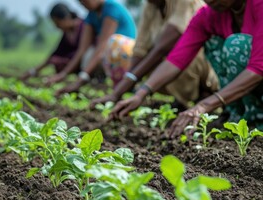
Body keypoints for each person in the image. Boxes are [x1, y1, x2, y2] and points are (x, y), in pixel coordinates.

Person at [109, 0, 263, 138]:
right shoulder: (209, 15)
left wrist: (204, 105)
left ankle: (257, 120)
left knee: (236, 44)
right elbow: (176, 59)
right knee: (214, 42)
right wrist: (141, 93)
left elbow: (258, 67)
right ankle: (237, 115)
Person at [90, 0, 219, 111]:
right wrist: (117, 92)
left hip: (199, 63)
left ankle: (201, 94)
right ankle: (177, 100)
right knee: (120, 49)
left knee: (172, 56)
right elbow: (140, 49)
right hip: (171, 61)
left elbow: (163, 48)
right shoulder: (150, 6)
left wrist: (136, 88)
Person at [46, 0, 137, 95]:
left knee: (111, 46)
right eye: (81, 3)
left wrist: (82, 78)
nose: (83, 5)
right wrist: (63, 74)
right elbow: (82, 49)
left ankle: (122, 83)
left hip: (125, 53)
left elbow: (103, 45)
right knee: (87, 57)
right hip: (109, 55)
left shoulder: (111, 8)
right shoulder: (90, 16)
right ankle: (100, 82)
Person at [20, 3, 84, 81]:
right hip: (77, 62)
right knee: (57, 61)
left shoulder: (84, 26)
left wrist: (62, 74)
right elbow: (55, 54)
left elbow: (82, 51)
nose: (57, 27)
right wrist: (32, 71)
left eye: (58, 23)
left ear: (66, 18)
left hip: (88, 60)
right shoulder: (67, 34)